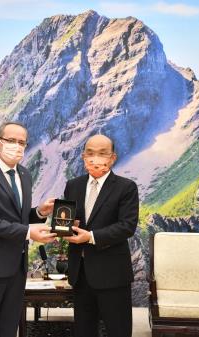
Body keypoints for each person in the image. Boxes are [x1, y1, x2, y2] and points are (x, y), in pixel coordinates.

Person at [0, 121, 57, 337]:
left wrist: (40, 213)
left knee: (8, 328)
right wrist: (28, 233)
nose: (18, 146)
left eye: (22, 142)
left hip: (17, 266)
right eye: (11, 141)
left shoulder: (24, 175)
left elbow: (18, 216)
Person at [63, 134, 139, 337]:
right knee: (83, 330)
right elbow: (71, 221)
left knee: (118, 330)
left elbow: (127, 226)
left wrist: (91, 237)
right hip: (80, 273)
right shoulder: (73, 185)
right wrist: (65, 227)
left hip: (112, 273)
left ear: (112, 158)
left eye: (102, 153)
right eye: (90, 153)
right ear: (83, 156)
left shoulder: (126, 187)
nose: (95, 158)